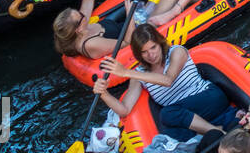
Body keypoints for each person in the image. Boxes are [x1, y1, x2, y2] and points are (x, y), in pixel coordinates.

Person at [94, 24, 240, 140]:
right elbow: (124, 110)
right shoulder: (139, 75)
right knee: (169, 135)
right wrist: (103, 93)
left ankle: (216, 132)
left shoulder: (176, 52)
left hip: (209, 97)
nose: (151, 55)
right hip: (189, 116)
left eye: (153, 47)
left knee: (167, 114)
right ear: (139, 54)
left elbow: (168, 80)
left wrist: (125, 72)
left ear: (159, 43)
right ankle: (224, 125)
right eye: (144, 52)